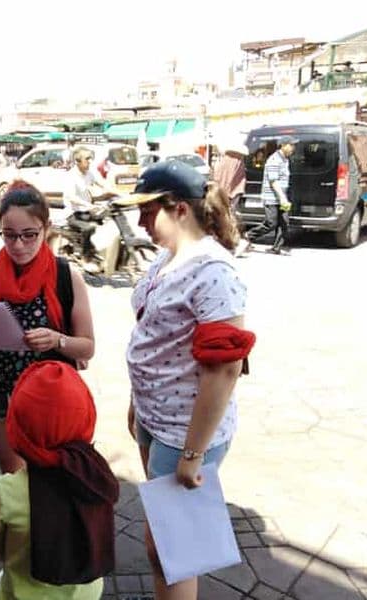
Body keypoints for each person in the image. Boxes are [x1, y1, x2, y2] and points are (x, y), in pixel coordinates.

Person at [116, 160, 255, 600]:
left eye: (148, 211)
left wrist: (193, 455)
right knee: (165, 540)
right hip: (157, 421)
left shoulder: (214, 272)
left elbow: (225, 370)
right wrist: (139, 402)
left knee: (175, 550)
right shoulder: (168, 258)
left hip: (183, 433)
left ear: (179, 209)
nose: (140, 222)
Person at [0, 182, 95, 473]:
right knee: (13, 478)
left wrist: (57, 340)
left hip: (50, 399)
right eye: (9, 236)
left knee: (50, 480)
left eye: (29, 235)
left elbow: (87, 346)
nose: (18, 245)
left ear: (45, 229)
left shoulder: (66, 276)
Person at [0, 361, 118, 600]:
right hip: (86, 594)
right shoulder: (97, 479)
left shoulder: (5, 491)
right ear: (87, 421)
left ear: (16, 430)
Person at [62, 146, 115, 261]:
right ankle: (86, 256)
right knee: (90, 228)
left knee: (109, 220)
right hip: (74, 214)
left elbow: (103, 184)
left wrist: (117, 193)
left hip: (87, 212)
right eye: (87, 158)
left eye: (90, 158)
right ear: (78, 161)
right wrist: (89, 206)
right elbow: (71, 197)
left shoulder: (90, 173)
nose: (90, 161)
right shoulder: (71, 176)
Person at [247, 136, 296, 255]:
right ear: (283, 145)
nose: (293, 148)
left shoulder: (285, 159)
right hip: (272, 197)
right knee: (271, 223)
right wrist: (282, 197)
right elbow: (273, 181)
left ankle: (276, 248)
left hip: (282, 197)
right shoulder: (274, 160)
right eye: (291, 145)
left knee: (284, 223)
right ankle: (247, 236)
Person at [212, 143, 249, 254]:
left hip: (224, 195)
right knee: (229, 217)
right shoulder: (235, 163)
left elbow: (219, 180)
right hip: (228, 195)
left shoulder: (223, 163)